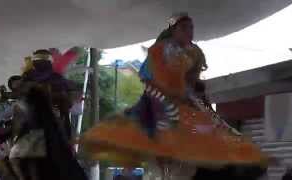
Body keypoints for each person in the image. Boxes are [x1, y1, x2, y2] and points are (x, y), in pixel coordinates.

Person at [81, 12, 268, 177]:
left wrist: (192, 91)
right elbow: (150, 78)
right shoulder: (162, 51)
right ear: (173, 30)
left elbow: (193, 79)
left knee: (216, 132)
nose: (190, 31)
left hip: (188, 102)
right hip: (163, 100)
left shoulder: (194, 52)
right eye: (185, 27)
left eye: (192, 27)